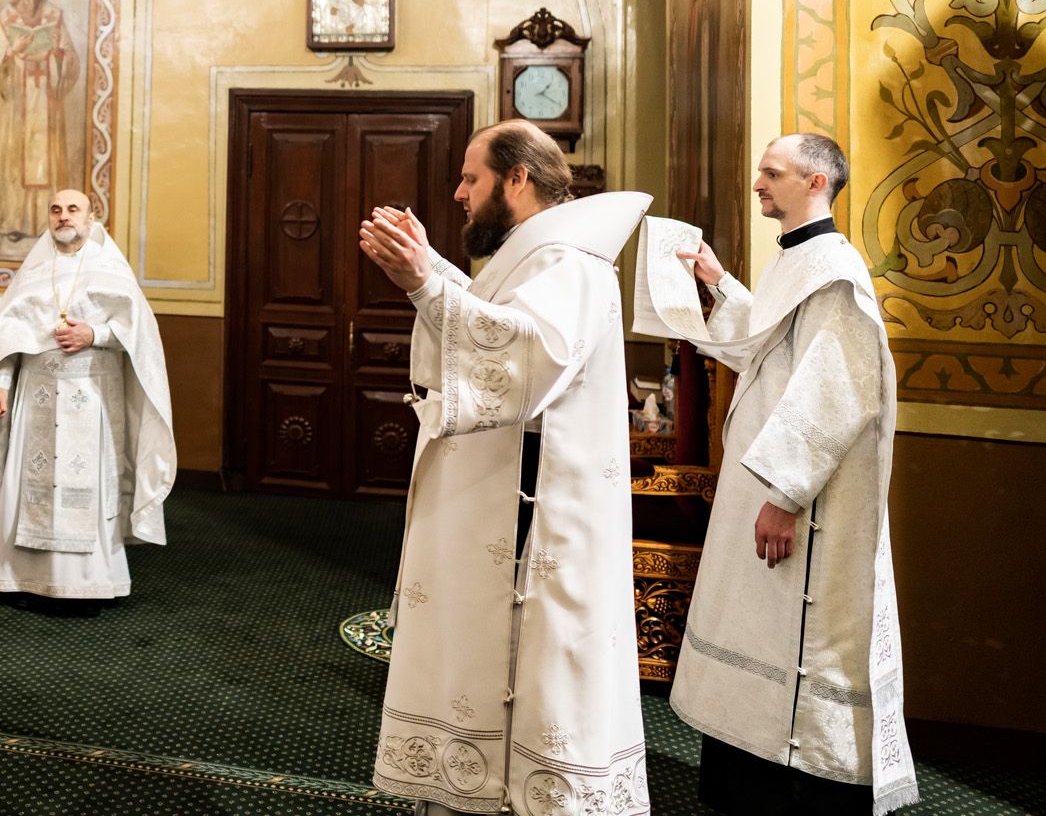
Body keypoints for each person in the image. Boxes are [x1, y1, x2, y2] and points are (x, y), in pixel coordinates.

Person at [358, 120, 650, 814]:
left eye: (471, 178)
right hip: (505, 490)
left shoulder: (568, 261)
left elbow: (527, 356)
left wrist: (425, 286)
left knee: (530, 664)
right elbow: (496, 317)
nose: (459, 194)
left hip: (534, 510)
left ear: (517, 177)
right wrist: (434, 271)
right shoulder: (540, 255)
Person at [659, 134, 917, 814]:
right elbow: (768, 344)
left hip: (799, 498)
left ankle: (794, 786)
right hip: (759, 485)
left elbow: (836, 389)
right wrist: (719, 283)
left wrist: (786, 494)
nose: (758, 184)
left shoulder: (835, 270)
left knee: (796, 641)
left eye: (772, 173)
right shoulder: (794, 259)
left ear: (817, 181)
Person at [0, 189, 174, 605]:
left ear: (90, 218)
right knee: (31, 481)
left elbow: (139, 336)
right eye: (56, 210)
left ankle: (89, 585)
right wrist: (0, 384)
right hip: (36, 394)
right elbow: (6, 338)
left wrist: (94, 333)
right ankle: (24, 581)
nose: (63, 217)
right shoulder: (33, 272)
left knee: (85, 482)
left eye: (72, 210)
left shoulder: (109, 268)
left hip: (92, 394)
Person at [0, 0, 76, 242]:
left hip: (45, 100)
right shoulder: (6, 18)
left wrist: (59, 54)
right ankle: (13, 221)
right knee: (14, 159)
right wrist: (11, 51)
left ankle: (47, 222)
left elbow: (70, 56)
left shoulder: (54, 16)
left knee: (46, 158)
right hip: (16, 102)